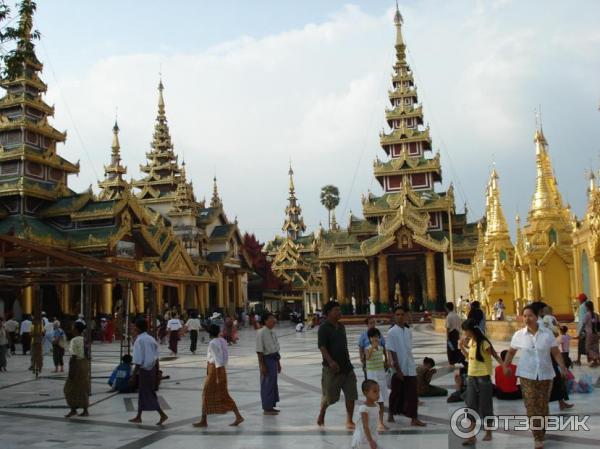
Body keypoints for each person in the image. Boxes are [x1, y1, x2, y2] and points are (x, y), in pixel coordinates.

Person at [503, 305, 568, 449]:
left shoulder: (547, 334)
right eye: (524, 316)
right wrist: (505, 366)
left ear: (537, 316)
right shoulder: (519, 335)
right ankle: (537, 437)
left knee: (543, 406)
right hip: (527, 374)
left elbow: (556, 352)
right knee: (531, 406)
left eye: (530, 315)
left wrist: (562, 367)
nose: (527, 319)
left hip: (546, 374)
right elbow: (511, 352)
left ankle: (541, 430)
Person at [459, 318, 503, 444]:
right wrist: (462, 348)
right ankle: (471, 435)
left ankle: (489, 432)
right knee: (471, 405)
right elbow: (470, 358)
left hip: (483, 378)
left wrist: (504, 366)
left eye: (465, 331)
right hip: (471, 377)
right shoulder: (472, 342)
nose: (464, 333)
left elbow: (494, 354)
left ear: (471, 330)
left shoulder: (484, 342)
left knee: (485, 406)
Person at [317, 301, 357, 430]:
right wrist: (331, 362)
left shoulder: (341, 326)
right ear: (328, 312)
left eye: (340, 310)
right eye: (336, 310)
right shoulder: (323, 328)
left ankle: (349, 420)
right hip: (332, 368)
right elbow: (322, 347)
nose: (339, 312)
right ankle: (323, 411)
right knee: (330, 397)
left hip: (347, 366)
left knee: (351, 394)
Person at [194, 324, 244, 427]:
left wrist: (217, 376)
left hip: (215, 370)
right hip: (220, 370)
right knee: (223, 394)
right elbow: (224, 356)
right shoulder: (222, 341)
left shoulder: (213, 343)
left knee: (206, 394)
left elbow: (218, 360)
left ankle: (204, 421)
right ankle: (238, 416)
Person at [386, 306, 425, 427]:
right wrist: (397, 370)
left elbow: (408, 349)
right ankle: (391, 413)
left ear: (406, 316)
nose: (400, 317)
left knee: (413, 393)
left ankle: (414, 418)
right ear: (394, 316)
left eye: (402, 314)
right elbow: (392, 351)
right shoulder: (391, 332)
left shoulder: (408, 331)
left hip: (410, 366)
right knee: (396, 392)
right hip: (399, 368)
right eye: (397, 314)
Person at [128, 318, 168, 425]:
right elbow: (156, 357)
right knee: (143, 393)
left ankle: (162, 414)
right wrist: (157, 371)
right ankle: (138, 416)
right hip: (152, 369)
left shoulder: (139, 340)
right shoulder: (151, 339)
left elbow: (138, 360)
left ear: (137, 328)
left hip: (144, 370)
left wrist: (133, 375)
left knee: (147, 394)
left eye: (134, 326)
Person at [256, 312, 281, 415]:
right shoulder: (261, 332)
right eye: (271, 319)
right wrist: (262, 366)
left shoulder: (273, 332)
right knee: (266, 384)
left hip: (274, 359)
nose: (273, 320)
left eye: (273, 318)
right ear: (265, 321)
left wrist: (278, 363)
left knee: (272, 383)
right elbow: (259, 351)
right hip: (266, 360)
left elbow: (275, 349)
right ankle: (267, 408)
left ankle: (271, 405)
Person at [64, 321, 89, 418]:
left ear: (76, 329)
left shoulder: (74, 340)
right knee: (83, 386)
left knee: (69, 388)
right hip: (85, 363)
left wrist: (71, 370)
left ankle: (73, 409)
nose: (72, 329)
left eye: (73, 327)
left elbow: (73, 355)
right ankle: (85, 409)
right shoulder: (85, 339)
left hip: (77, 364)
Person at [364, 327, 389, 430]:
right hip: (372, 379)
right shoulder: (368, 348)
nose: (375, 338)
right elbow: (367, 357)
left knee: (381, 401)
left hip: (381, 377)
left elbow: (385, 359)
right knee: (372, 401)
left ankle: (380, 422)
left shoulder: (382, 348)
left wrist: (386, 361)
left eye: (377, 336)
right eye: (373, 337)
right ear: (369, 338)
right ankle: (371, 422)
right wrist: (372, 348)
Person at [351, 380, 382, 449]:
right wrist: (370, 441)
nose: (378, 394)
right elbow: (365, 426)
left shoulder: (377, 406)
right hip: (364, 437)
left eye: (378, 391)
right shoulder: (364, 409)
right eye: (375, 391)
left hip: (373, 434)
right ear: (366, 393)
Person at [583, 301, 600, 367]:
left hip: (589, 334)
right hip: (596, 333)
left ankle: (595, 361)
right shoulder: (596, 314)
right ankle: (597, 359)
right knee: (595, 347)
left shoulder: (587, 314)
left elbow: (584, 323)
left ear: (587, 307)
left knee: (588, 348)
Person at [575, 294, 588, 365]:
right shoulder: (587, 305)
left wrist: (580, 330)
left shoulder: (582, 306)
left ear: (582, 299)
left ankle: (578, 360)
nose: (578, 300)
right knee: (587, 345)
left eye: (579, 299)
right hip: (586, 329)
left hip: (583, 329)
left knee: (581, 345)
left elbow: (583, 319)